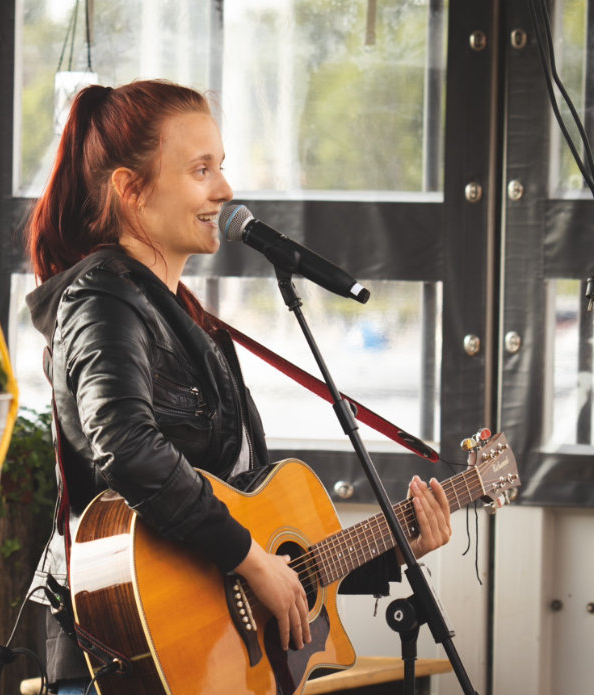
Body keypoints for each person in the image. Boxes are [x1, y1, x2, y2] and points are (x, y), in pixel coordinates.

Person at [23, 79, 452, 695]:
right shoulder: (102, 301)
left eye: (221, 167)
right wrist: (250, 558)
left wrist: (398, 544)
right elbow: (126, 447)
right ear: (130, 189)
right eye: (201, 170)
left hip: (208, 663)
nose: (225, 190)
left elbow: (260, 557)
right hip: (118, 662)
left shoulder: (192, 323)